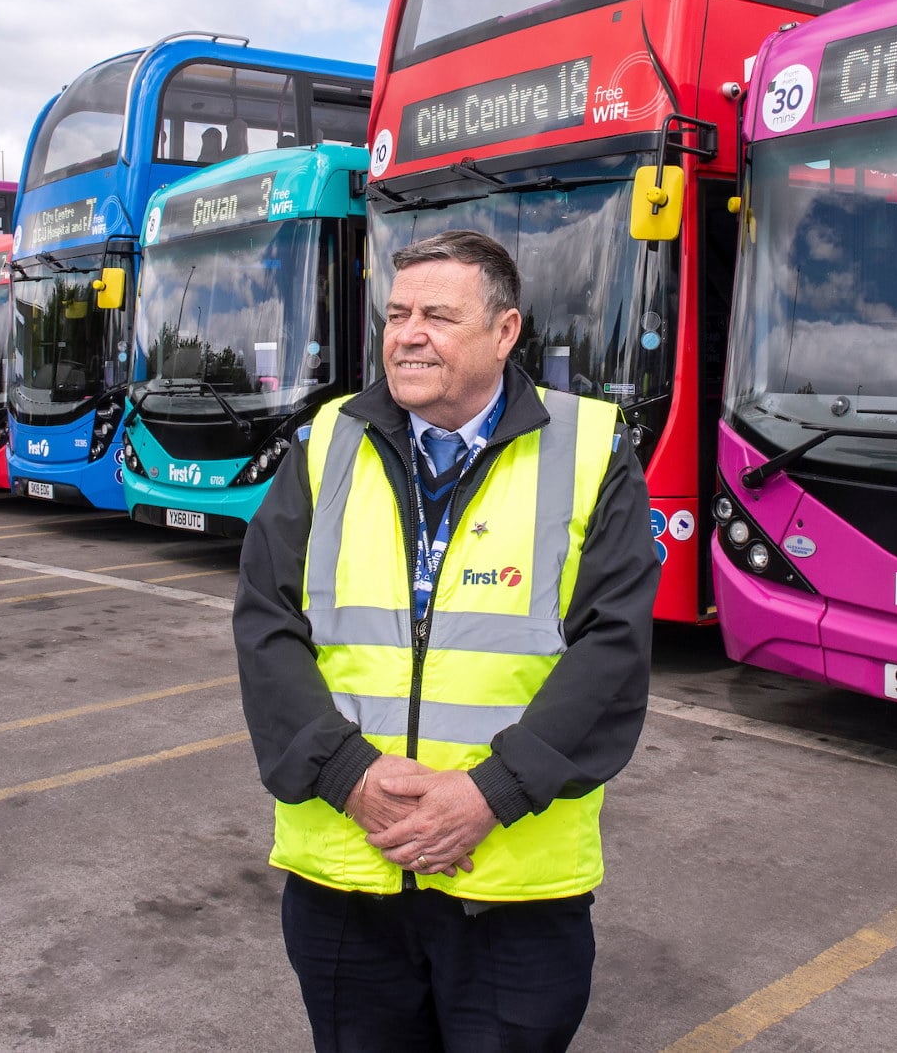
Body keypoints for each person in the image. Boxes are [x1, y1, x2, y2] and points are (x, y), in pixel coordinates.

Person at [233, 229, 659, 1052]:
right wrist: (347, 773)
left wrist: (488, 795)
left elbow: (612, 651)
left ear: (505, 333)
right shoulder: (328, 441)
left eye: (436, 314)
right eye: (396, 314)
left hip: (513, 893)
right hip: (346, 880)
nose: (407, 333)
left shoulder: (590, 448)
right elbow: (265, 620)